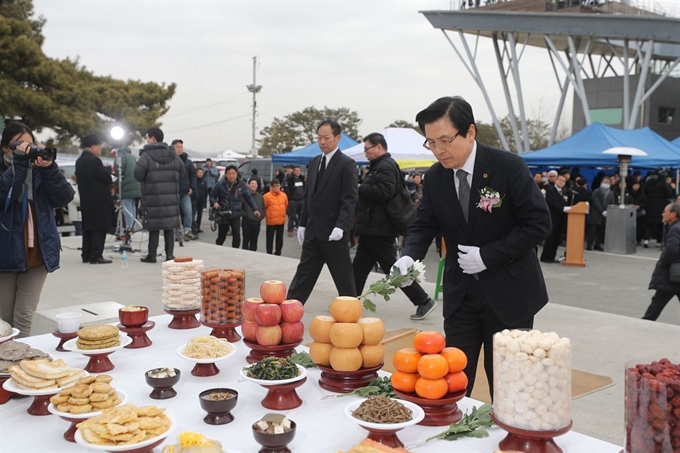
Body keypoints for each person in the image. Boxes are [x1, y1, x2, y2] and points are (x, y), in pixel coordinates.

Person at [394, 96, 551, 398]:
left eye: (445, 140)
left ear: (470, 132)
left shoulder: (508, 167)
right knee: (451, 380)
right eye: (431, 143)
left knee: (509, 383)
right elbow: (424, 223)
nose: (439, 150)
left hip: (509, 293)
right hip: (461, 294)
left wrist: (488, 256)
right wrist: (408, 256)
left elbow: (538, 225)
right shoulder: (436, 177)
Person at [352, 132, 437, 320]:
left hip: (380, 229)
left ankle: (423, 300)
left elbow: (386, 191)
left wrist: (361, 188)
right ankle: (350, 302)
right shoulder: (378, 166)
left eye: (368, 148)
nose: (365, 152)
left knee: (394, 269)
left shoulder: (386, 166)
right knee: (359, 268)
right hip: (372, 228)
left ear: (379, 147)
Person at [0, 122, 74, 337]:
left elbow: (64, 197)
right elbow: (4, 195)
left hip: (37, 253)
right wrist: (19, 166)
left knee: (24, 316)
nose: (26, 149)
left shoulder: (39, 171)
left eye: (30, 144)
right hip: (6, 253)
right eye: (19, 144)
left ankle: (23, 366)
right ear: (5, 148)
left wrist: (50, 168)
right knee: (4, 319)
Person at [287, 120, 359, 304]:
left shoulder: (346, 164)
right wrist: (302, 223)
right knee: (302, 277)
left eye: (326, 137)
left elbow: (349, 199)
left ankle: (351, 316)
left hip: (334, 232)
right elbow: (309, 197)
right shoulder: (314, 162)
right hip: (313, 231)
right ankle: (289, 313)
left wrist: (341, 226)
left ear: (337, 138)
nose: (322, 141)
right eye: (319, 137)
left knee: (344, 281)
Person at [134, 127, 184, 263]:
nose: (147, 140)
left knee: (154, 227)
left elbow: (138, 174)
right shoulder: (172, 154)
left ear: (153, 138)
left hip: (153, 196)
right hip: (171, 196)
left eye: (147, 137)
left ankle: (152, 256)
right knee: (169, 227)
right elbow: (182, 170)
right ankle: (169, 255)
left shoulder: (146, 155)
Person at [76, 134, 113, 264]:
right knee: (99, 227)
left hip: (86, 199)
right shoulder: (94, 160)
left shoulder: (80, 160)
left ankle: (86, 254)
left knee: (88, 227)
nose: (100, 149)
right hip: (98, 199)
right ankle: (96, 255)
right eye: (99, 147)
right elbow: (106, 177)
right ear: (93, 147)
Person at [642, 202, 680, 320]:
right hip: (676, 274)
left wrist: (664, 263)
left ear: (673, 214)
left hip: (672, 273)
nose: (662, 214)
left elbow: (671, 248)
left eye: (665, 211)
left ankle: (645, 324)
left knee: (657, 303)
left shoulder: (674, 229)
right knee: (657, 302)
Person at [210, 165, 260, 248]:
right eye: (229, 174)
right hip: (223, 213)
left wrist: (255, 209)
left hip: (235, 213)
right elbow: (212, 196)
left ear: (236, 174)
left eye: (233, 173)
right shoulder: (220, 184)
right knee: (221, 236)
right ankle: (217, 250)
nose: (231, 176)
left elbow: (249, 197)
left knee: (236, 235)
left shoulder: (241, 185)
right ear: (225, 174)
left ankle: (235, 252)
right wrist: (214, 202)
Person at [171, 139, 197, 241]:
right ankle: (177, 232)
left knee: (188, 211)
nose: (180, 149)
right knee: (175, 213)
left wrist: (192, 188)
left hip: (185, 191)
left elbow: (193, 176)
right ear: (173, 148)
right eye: (177, 147)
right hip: (173, 192)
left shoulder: (188, 162)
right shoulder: (170, 160)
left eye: (181, 147)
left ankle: (187, 231)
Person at [540, 174, 567, 263]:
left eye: (563, 181)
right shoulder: (551, 190)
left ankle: (552, 256)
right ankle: (545, 256)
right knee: (550, 239)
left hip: (560, 220)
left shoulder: (563, 191)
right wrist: (562, 208)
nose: (561, 182)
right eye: (560, 180)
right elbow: (551, 203)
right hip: (552, 218)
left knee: (556, 240)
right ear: (556, 180)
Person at [115, 146, 141, 233]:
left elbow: (119, 171)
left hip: (126, 186)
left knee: (126, 207)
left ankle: (129, 226)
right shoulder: (133, 157)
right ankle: (132, 225)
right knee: (132, 206)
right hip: (136, 185)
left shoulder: (120, 156)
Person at [587, 176, 616, 251]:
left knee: (601, 231)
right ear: (601, 182)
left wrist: (608, 210)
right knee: (593, 230)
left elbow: (612, 202)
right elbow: (595, 202)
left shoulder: (611, 193)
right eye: (605, 182)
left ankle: (597, 244)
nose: (606, 184)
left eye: (608, 182)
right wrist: (602, 211)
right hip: (596, 214)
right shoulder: (596, 191)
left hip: (605, 214)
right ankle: (589, 245)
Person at [263, 179, 288, 255]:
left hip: (281, 220)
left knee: (279, 239)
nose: (276, 188)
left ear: (280, 186)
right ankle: (269, 252)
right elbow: (264, 207)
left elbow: (286, 205)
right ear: (271, 187)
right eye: (274, 186)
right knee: (270, 239)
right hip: (271, 221)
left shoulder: (284, 195)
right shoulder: (266, 196)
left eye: (277, 186)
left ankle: (278, 252)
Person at [241, 179, 265, 251]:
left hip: (257, 223)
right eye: (252, 183)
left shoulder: (260, 196)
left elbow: (264, 208)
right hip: (247, 222)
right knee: (246, 241)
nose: (254, 185)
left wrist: (261, 217)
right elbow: (240, 209)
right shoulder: (243, 196)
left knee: (254, 242)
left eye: (255, 184)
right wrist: (247, 216)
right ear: (248, 185)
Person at [284, 165, 305, 237]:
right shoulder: (289, 180)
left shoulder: (302, 179)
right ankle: (290, 229)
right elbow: (287, 190)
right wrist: (291, 198)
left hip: (301, 200)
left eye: (299, 171)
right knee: (291, 216)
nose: (298, 172)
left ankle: (300, 229)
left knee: (301, 215)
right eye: (296, 171)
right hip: (293, 201)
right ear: (293, 171)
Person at [193, 168, 208, 235]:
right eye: (199, 172)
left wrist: (205, 200)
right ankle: (193, 228)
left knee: (200, 215)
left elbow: (206, 191)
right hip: (194, 200)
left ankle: (198, 227)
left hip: (201, 200)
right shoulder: (194, 181)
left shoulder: (204, 181)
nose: (200, 174)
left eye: (201, 173)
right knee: (193, 214)